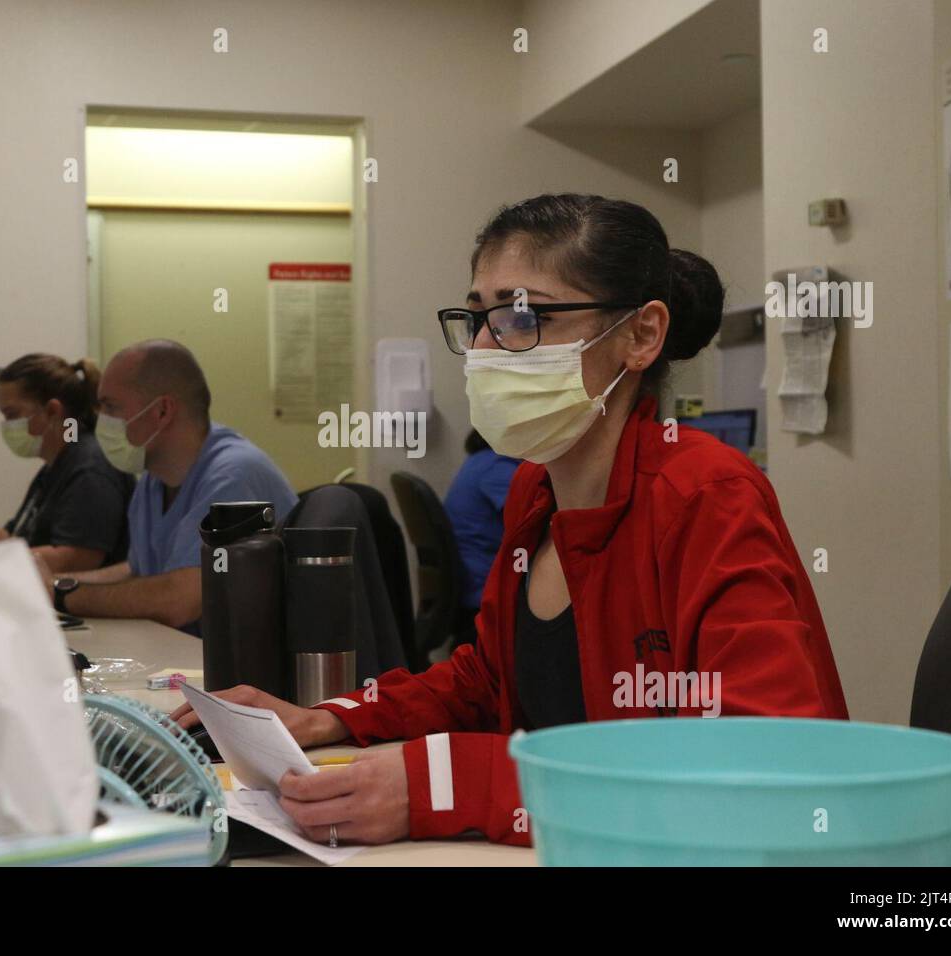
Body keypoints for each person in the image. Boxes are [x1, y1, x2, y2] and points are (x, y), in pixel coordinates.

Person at [172, 193, 849, 848]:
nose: (488, 350)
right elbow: (486, 681)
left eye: (524, 318)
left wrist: (449, 787)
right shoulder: (536, 490)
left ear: (640, 336)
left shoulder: (706, 492)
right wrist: (327, 717)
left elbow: (763, 769)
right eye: (480, 319)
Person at [42, 339, 298, 633]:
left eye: (111, 407)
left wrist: (61, 594)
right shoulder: (153, 479)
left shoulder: (234, 475)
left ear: (162, 411)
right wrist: (54, 583)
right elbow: (139, 573)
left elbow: (180, 599)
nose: (102, 421)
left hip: (253, 675)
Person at [0, 353, 133, 572]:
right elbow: (14, 533)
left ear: (52, 411)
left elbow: (78, 556)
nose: (6, 425)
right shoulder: (57, 466)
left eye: (12, 414)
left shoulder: (91, 467)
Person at [443, 429, 520, 647]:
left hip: (470, 582)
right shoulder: (496, 468)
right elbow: (536, 518)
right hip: (483, 588)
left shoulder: (479, 461)